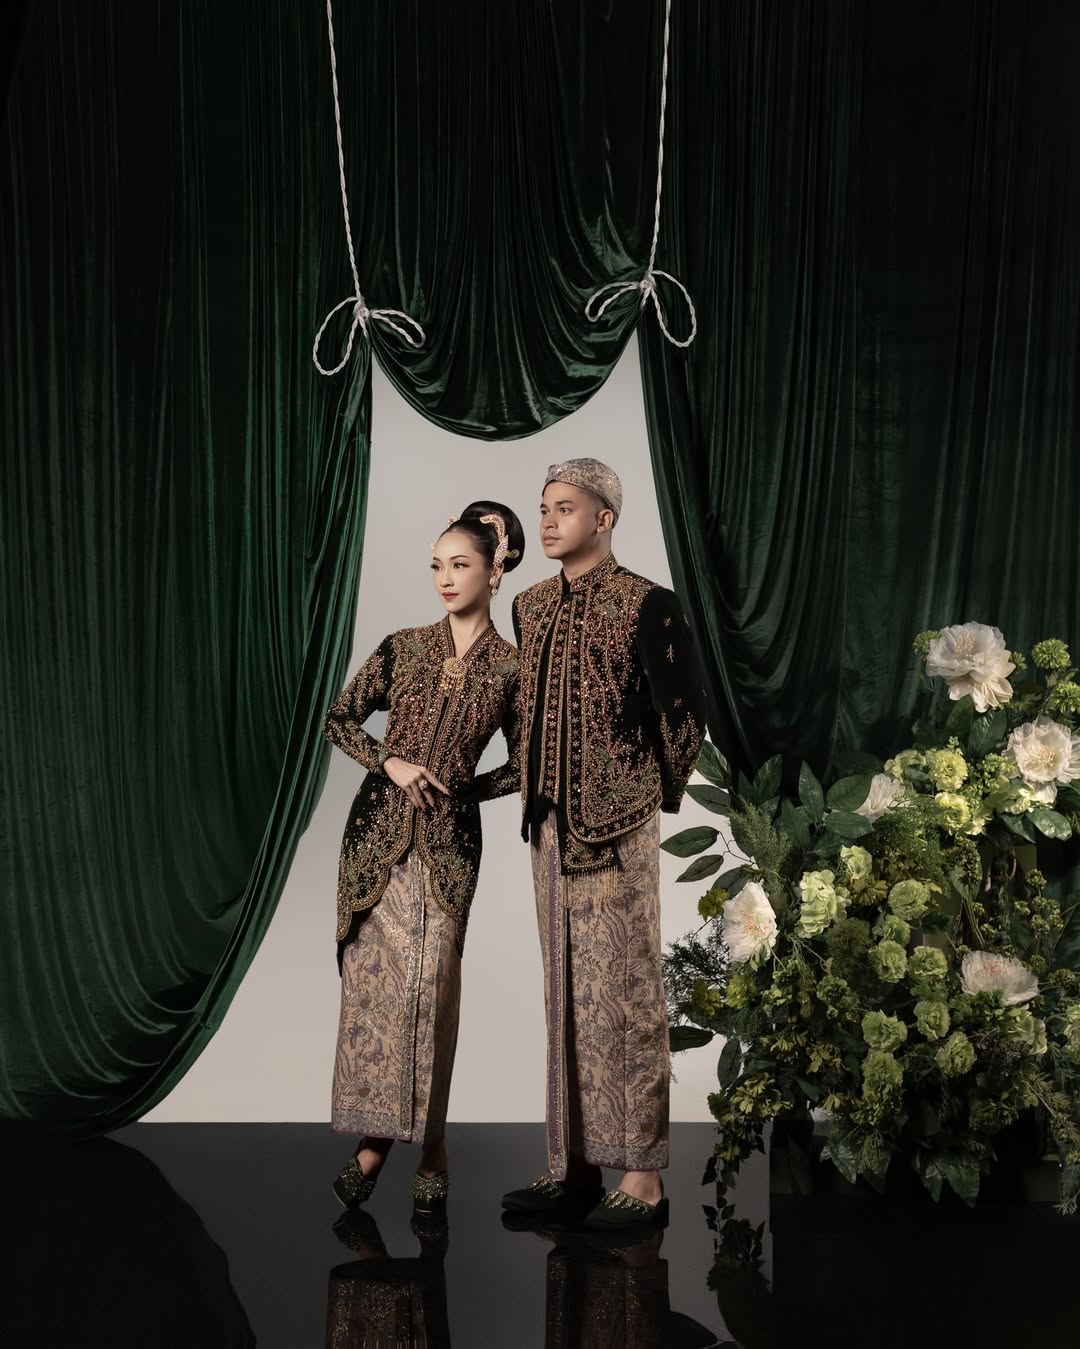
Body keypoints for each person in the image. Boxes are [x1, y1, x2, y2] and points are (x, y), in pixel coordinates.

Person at [501, 459, 706, 1232]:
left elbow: (684, 716)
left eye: (565, 508)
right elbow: (528, 715)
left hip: (618, 828)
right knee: (565, 996)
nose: (549, 521)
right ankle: (575, 1167)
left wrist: (644, 796)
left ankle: (642, 1177)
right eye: (544, 507)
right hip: (549, 827)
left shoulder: (648, 603)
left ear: (605, 517)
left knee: (626, 996)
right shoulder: (529, 605)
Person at [323, 502, 524, 1219]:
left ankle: (424, 1143)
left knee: (431, 996)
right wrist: (392, 761)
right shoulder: (402, 646)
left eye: (460, 564)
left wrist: (462, 788)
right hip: (374, 840)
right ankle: (387, 1141)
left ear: (494, 571)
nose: (445, 577)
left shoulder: (513, 667)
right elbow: (338, 718)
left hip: (448, 849)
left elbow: (525, 765)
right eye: (436, 565)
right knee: (377, 996)